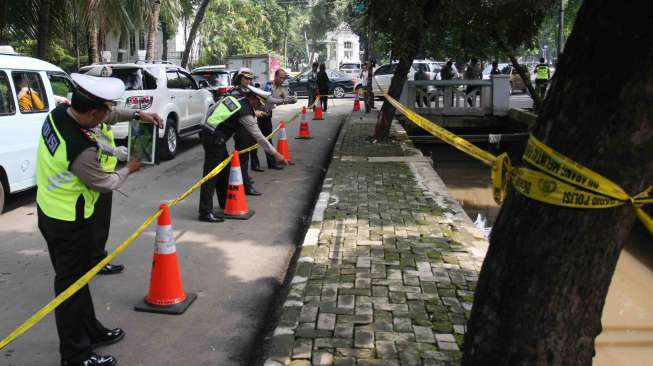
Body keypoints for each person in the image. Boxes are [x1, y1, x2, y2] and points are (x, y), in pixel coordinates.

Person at [36, 73, 157, 366]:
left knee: (79, 280)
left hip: (49, 210)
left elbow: (111, 113)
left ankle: (91, 331)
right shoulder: (80, 148)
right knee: (70, 288)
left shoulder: (59, 113)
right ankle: (75, 355)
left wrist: (139, 113)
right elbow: (105, 183)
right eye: (103, 114)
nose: (107, 118)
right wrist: (129, 168)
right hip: (68, 222)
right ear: (92, 112)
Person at [84, 66, 163, 276]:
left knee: (95, 222)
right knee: (97, 223)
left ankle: (91, 258)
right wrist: (123, 162)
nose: (108, 105)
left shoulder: (89, 108)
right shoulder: (84, 114)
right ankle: (96, 261)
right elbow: (89, 140)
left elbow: (113, 115)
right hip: (93, 177)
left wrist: (139, 114)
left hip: (98, 172)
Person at [198, 86, 289, 222]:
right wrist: (275, 154)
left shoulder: (235, 98)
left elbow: (213, 109)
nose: (259, 106)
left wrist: (205, 126)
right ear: (253, 99)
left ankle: (224, 203)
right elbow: (259, 136)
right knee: (211, 174)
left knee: (224, 171)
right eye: (258, 104)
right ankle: (205, 212)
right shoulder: (245, 112)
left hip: (210, 133)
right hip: (214, 138)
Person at [250, 68, 296, 171]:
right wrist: (283, 100)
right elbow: (269, 99)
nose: (283, 79)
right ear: (275, 76)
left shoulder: (281, 87)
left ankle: (271, 163)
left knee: (268, 138)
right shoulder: (268, 85)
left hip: (267, 114)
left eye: (284, 78)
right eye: (281, 77)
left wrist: (290, 100)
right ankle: (254, 164)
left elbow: (283, 98)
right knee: (254, 139)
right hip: (258, 113)